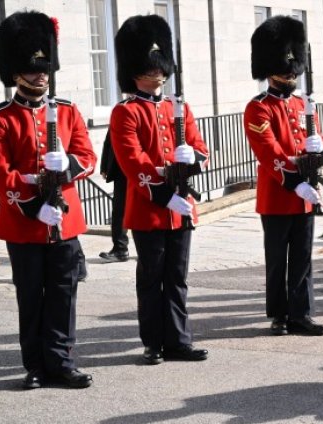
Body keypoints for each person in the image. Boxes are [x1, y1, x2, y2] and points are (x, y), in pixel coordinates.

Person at [0, 11, 96, 389]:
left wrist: (67, 167)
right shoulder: (4, 119)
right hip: (24, 223)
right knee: (31, 296)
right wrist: (33, 202)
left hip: (64, 221)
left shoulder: (68, 111)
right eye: (33, 69)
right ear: (16, 74)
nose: (41, 75)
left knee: (63, 293)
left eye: (44, 68)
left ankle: (61, 360)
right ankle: (35, 364)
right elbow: (1, 173)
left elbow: (87, 157)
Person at [110, 15, 209, 365]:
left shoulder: (177, 107)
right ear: (135, 71)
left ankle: (179, 340)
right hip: (151, 208)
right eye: (150, 69)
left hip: (181, 206)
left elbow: (201, 147)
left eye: (159, 68)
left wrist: (193, 156)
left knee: (177, 279)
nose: (157, 74)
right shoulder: (126, 112)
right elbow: (133, 162)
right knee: (151, 279)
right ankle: (153, 342)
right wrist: (166, 196)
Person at [245, 16, 323, 336]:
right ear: (270, 70)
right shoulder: (258, 108)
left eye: (294, 68)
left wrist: (318, 147)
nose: (291, 73)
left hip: (306, 194)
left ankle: (301, 313)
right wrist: (295, 180)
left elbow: (314, 144)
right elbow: (269, 152)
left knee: (303, 258)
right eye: (285, 68)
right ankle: (279, 314)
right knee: (278, 260)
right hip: (279, 195)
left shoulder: (302, 105)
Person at [99, 130, 129, 262]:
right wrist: (104, 165)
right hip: (120, 170)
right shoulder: (119, 111)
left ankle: (149, 248)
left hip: (141, 169)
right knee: (118, 211)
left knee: (144, 210)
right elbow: (108, 140)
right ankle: (120, 249)